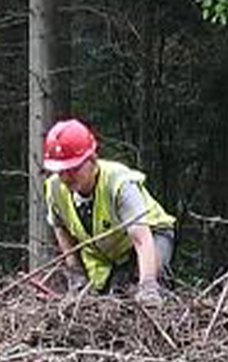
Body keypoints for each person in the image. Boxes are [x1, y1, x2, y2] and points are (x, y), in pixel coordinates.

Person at [40, 119, 176, 300]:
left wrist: (148, 285)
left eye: (73, 168)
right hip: (108, 253)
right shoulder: (55, 188)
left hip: (151, 235)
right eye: (60, 170)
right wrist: (76, 274)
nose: (66, 177)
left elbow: (142, 238)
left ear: (92, 159)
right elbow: (60, 227)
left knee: (142, 291)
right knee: (112, 300)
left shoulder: (119, 183)